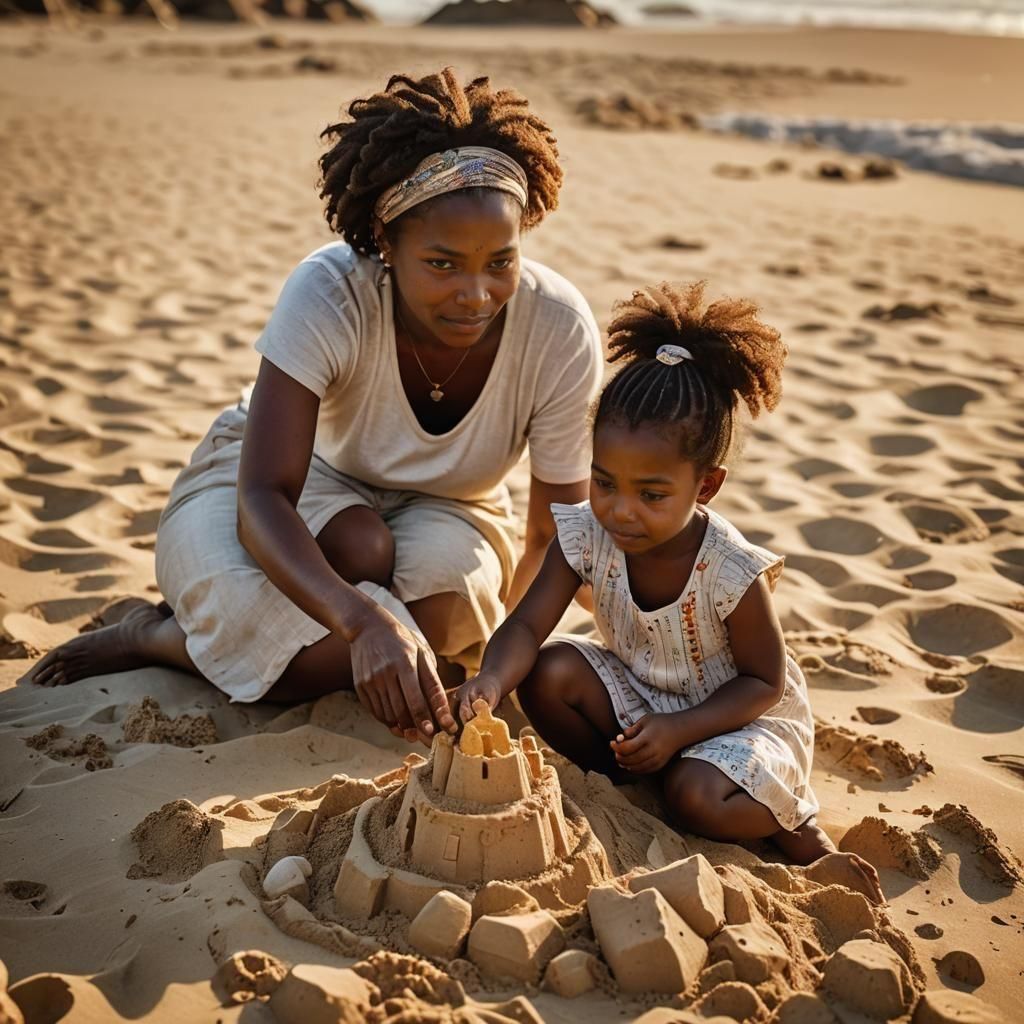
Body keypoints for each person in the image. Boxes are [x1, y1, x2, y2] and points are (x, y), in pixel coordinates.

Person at [24, 69, 602, 745]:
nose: (476, 294)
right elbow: (262, 496)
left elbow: (554, 536)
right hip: (279, 483)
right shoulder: (329, 292)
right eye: (443, 264)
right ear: (386, 243)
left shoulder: (557, 327)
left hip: (452, 506)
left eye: (500, 262)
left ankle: (235, 636)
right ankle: (153, 637)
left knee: (444, 621)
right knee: (349, 565)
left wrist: (502, 660)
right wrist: (361, 622)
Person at [454, 281, 883, 901]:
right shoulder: (587, 533)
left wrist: (681, 731)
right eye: (604, 482)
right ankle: (631, 779)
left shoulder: (730, 570)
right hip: (644, 696)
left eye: (652, 494)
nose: (620, 510)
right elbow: (525, 626)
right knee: (546, 672)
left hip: (737, 722)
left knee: (696, 796)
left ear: (705, 487)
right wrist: (490, 681)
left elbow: (764, 684)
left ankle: (794, 826)